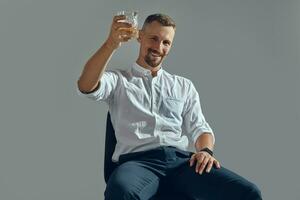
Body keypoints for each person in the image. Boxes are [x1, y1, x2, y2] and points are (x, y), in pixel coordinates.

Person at [77, 13, 262, 200]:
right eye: (154, 39)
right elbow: (85, 85)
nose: (159, 47)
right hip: (138, 163)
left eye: (166, 43)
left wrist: (205, 151)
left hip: (180, 163)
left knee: (248, 193)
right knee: (121, 192)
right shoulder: (118, 81)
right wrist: (111, 44)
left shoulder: (183, 86)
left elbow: (201, 129)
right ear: (140, 37)